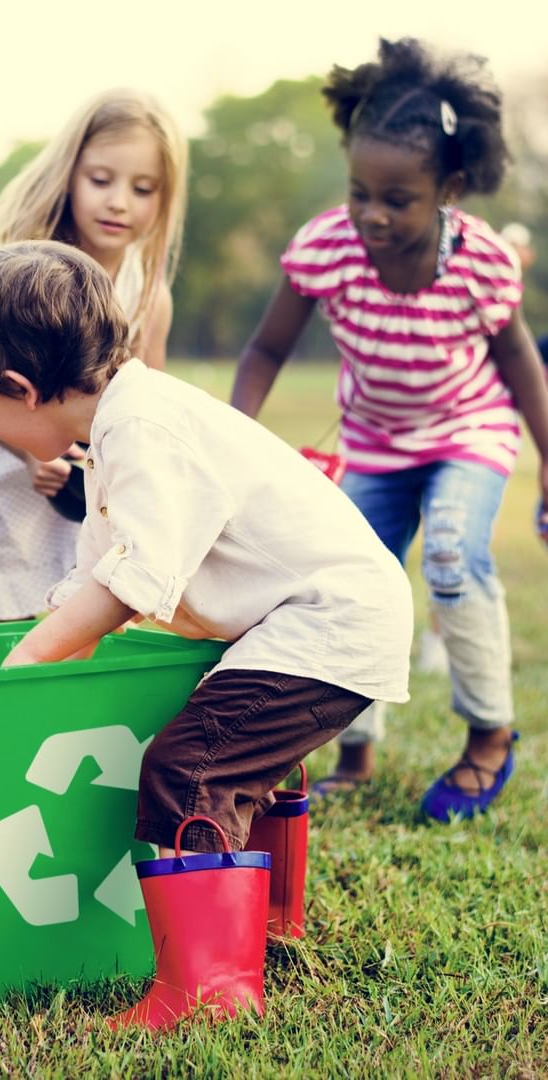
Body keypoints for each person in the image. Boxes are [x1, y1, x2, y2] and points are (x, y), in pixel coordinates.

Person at [0, 239, 412, 1027]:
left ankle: (211, 993)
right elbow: (94, 585)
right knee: (238, 760)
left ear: (20, 388)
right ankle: (264, 932)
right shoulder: (127, 424)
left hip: (328, 622)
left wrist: (26, 659)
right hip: (309, 620)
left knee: (192, 769)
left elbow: (131, 582)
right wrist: (44, 682)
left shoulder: (145, 431)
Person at [231, 38, 548, 820]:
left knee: (448, 554)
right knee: (350, 580)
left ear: (450, 188)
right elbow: (267, 347)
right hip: (374, 441)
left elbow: (518, 363)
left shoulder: (480, 264)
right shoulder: (327, 249)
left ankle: (489, 739)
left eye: (397, 199)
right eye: (358, 192)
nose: (372, 213)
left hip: (468, 430)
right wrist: (233, 447)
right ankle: (357, 748)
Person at [0, 89, 187, 620]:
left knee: (84, 614)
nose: (119, 202)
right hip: (3, 471)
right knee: (10, 623)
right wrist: (31, 452)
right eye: (101, 180)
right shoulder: (19, 270)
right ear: (69, 174)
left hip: (84, 485)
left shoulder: (148, 295)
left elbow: (145, 408)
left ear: (164, 199)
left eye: (143, 188)